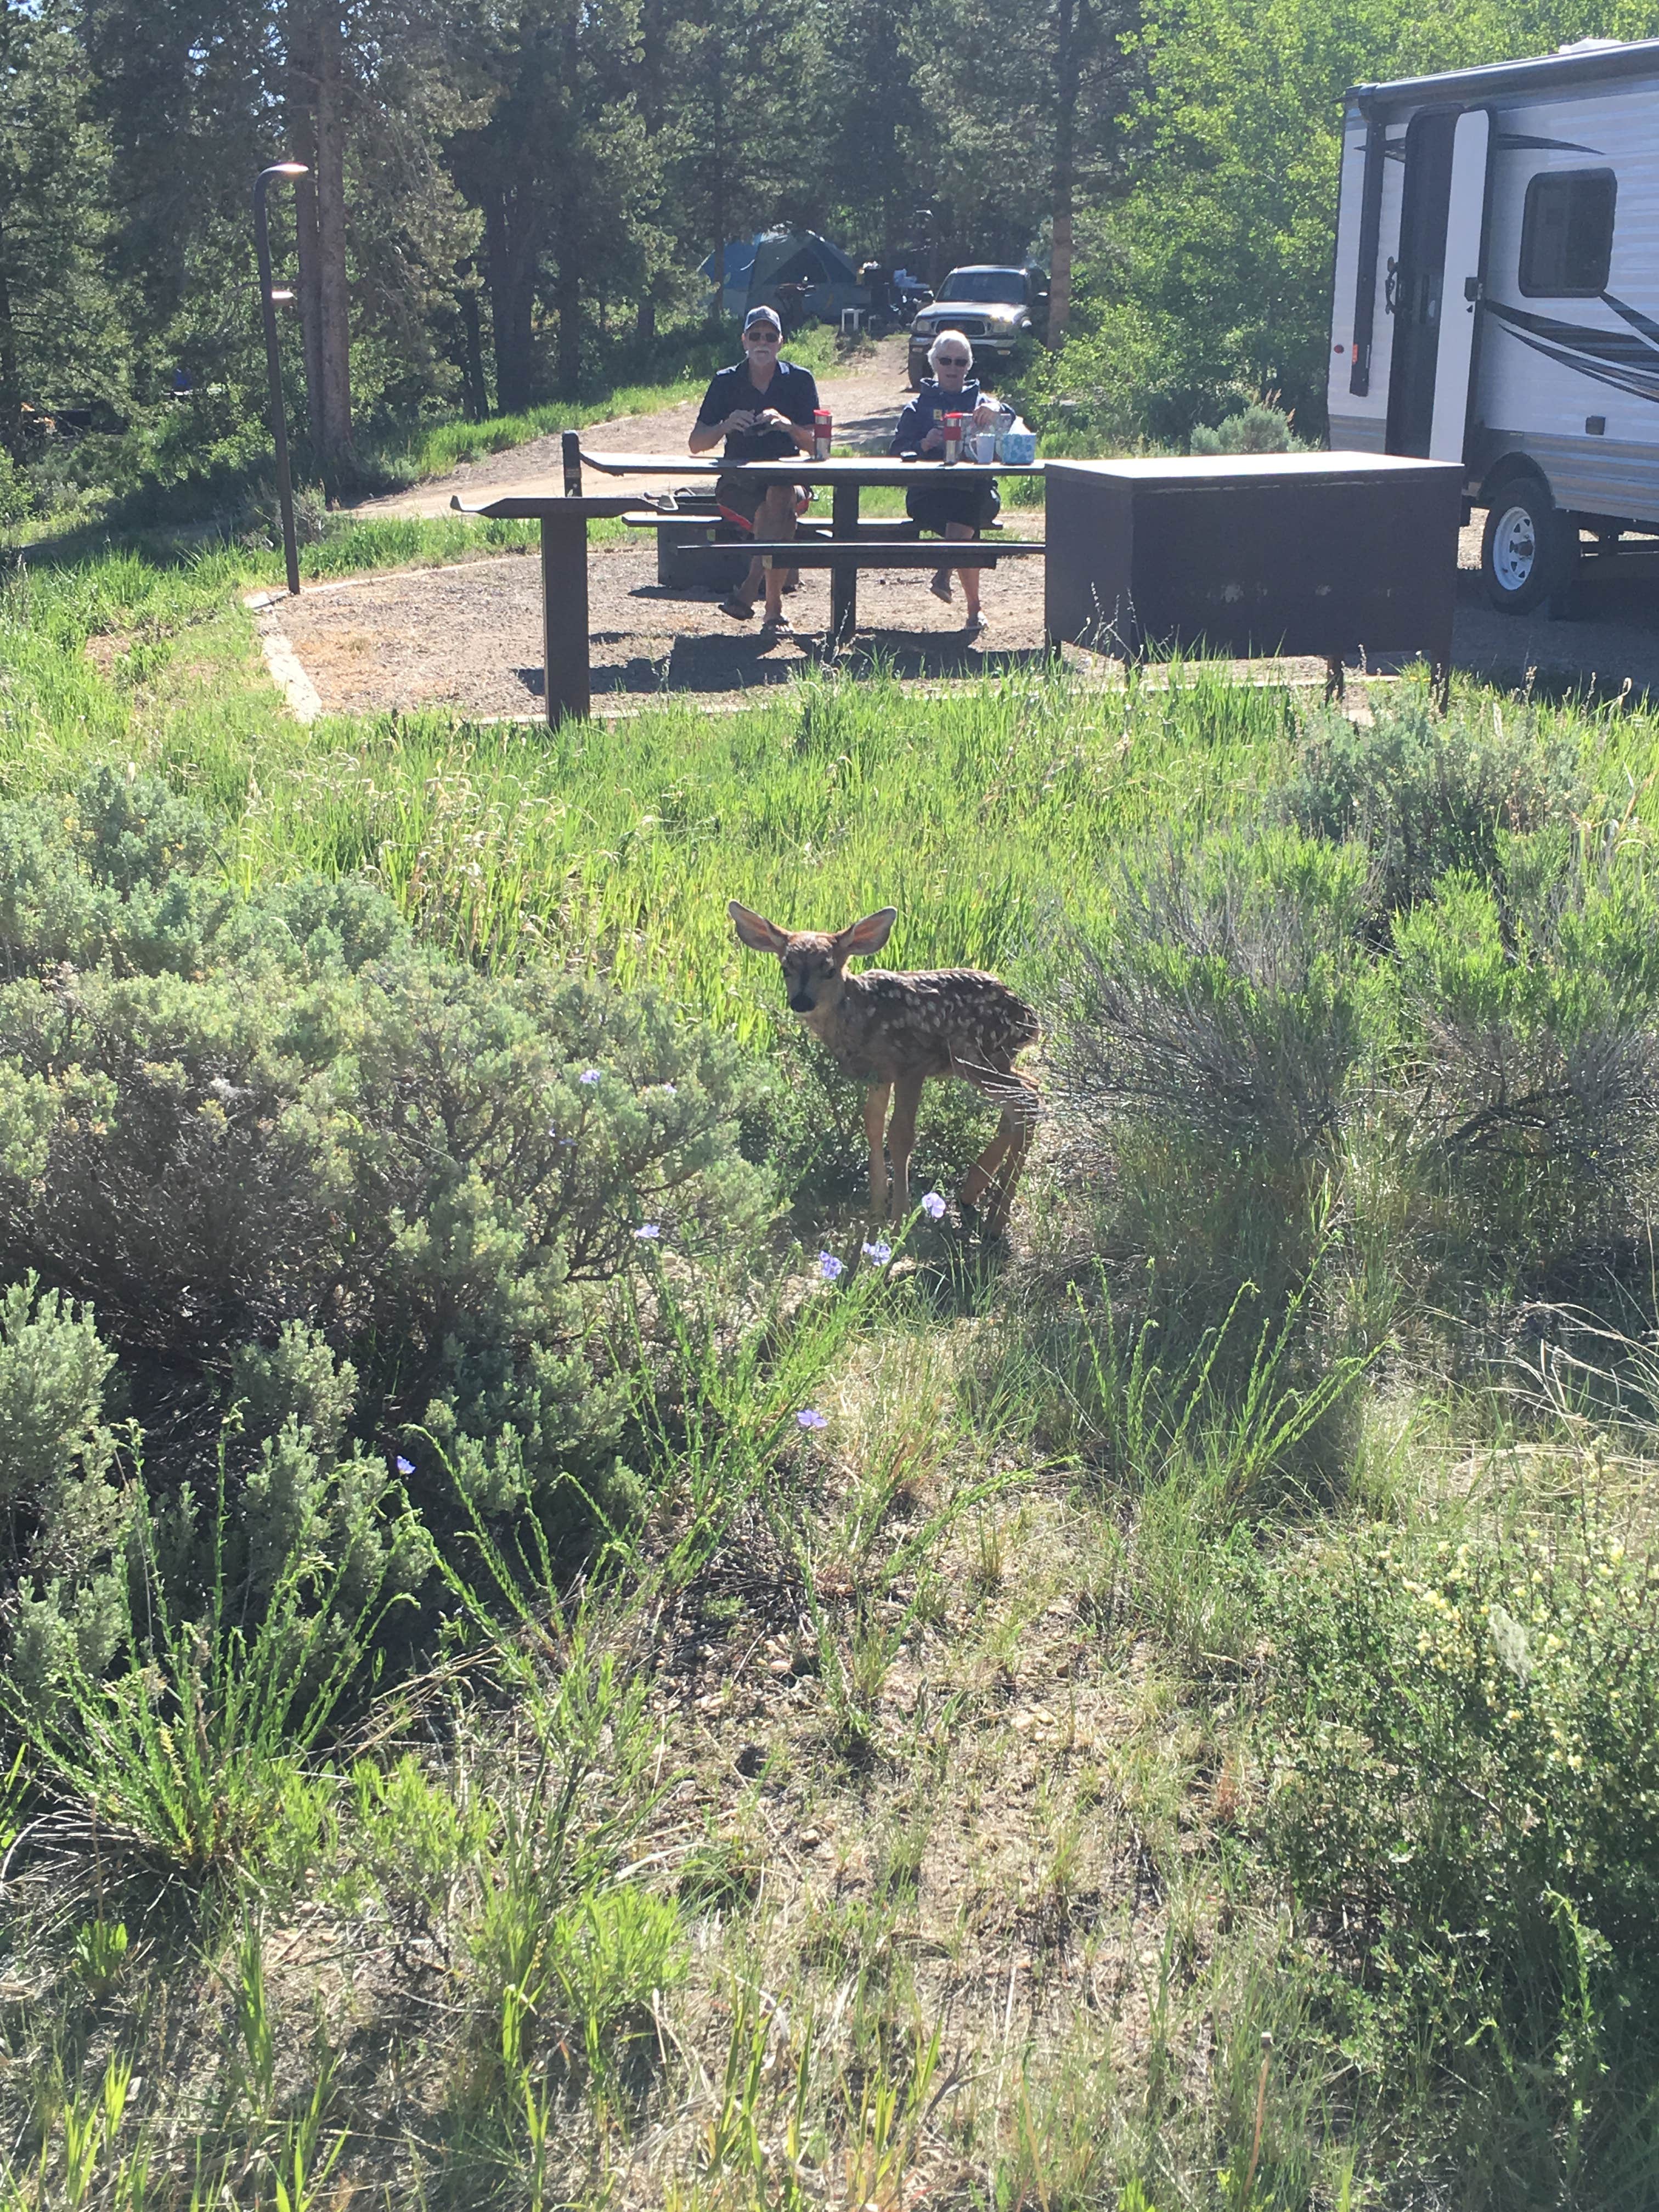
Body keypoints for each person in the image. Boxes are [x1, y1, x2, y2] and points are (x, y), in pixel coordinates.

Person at [690, 305, 820, 637]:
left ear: (781, 342)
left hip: (789, 480)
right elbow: (696, 444)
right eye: (756, 336)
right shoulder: (724, 381)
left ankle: (751, 589)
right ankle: (773, 609)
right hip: (738, 483)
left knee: (778, 498)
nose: (763, 342)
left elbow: (819, 446)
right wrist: (725, 426)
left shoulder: (801, 380)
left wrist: (787, 427)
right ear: (744, 341)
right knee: (780, 514)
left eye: (770, 336)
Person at [890, 329, 1006, 638]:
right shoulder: (917, 408)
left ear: (969, 366)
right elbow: (895, 452)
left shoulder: (984, 402)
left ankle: (945, 573)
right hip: (930, 494)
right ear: (934, 364)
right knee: (965, 514)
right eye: (946, 360)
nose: (953, 367)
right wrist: (923, 445)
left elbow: (1013, 424)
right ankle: (973, 608)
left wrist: (997, 412)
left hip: (976, 492)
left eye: (960, 361)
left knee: (969, 500)